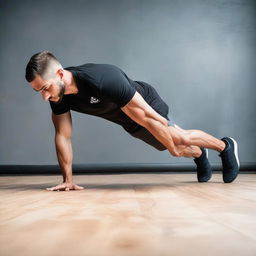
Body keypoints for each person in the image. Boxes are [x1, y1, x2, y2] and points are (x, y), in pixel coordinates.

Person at [25, 51, 240, 191]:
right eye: (38, 91)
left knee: (177, 141)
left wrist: (163, 125)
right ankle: (201, 153)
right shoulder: (57, 96)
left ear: (60, 74)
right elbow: (63, 135)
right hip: (128, 120)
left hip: (145, 104)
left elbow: (145, 115)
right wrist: (68, 180)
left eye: (45, 88)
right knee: (169, 147)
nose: (44, 96)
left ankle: (226, 146)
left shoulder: (102, 78)